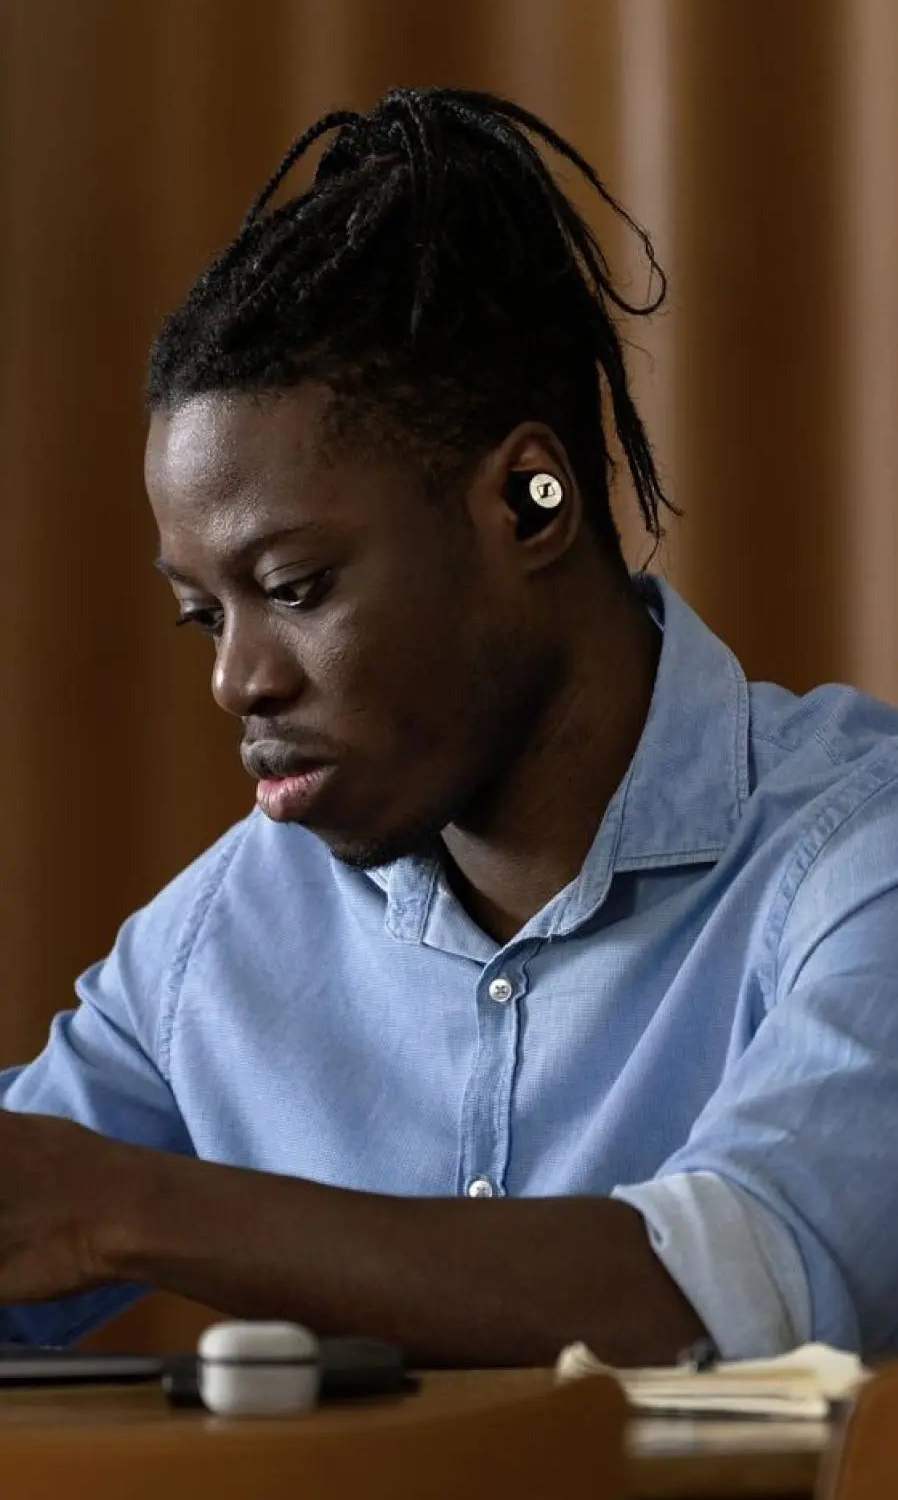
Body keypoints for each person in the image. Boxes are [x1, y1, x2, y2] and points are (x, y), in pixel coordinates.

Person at [2, 88, 897, 1367]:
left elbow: (734, 1290)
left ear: (530, 503)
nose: (237, 681)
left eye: (296, 587)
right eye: (205, 616)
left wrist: (129, 1208)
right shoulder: (212, 944)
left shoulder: (859, 861)